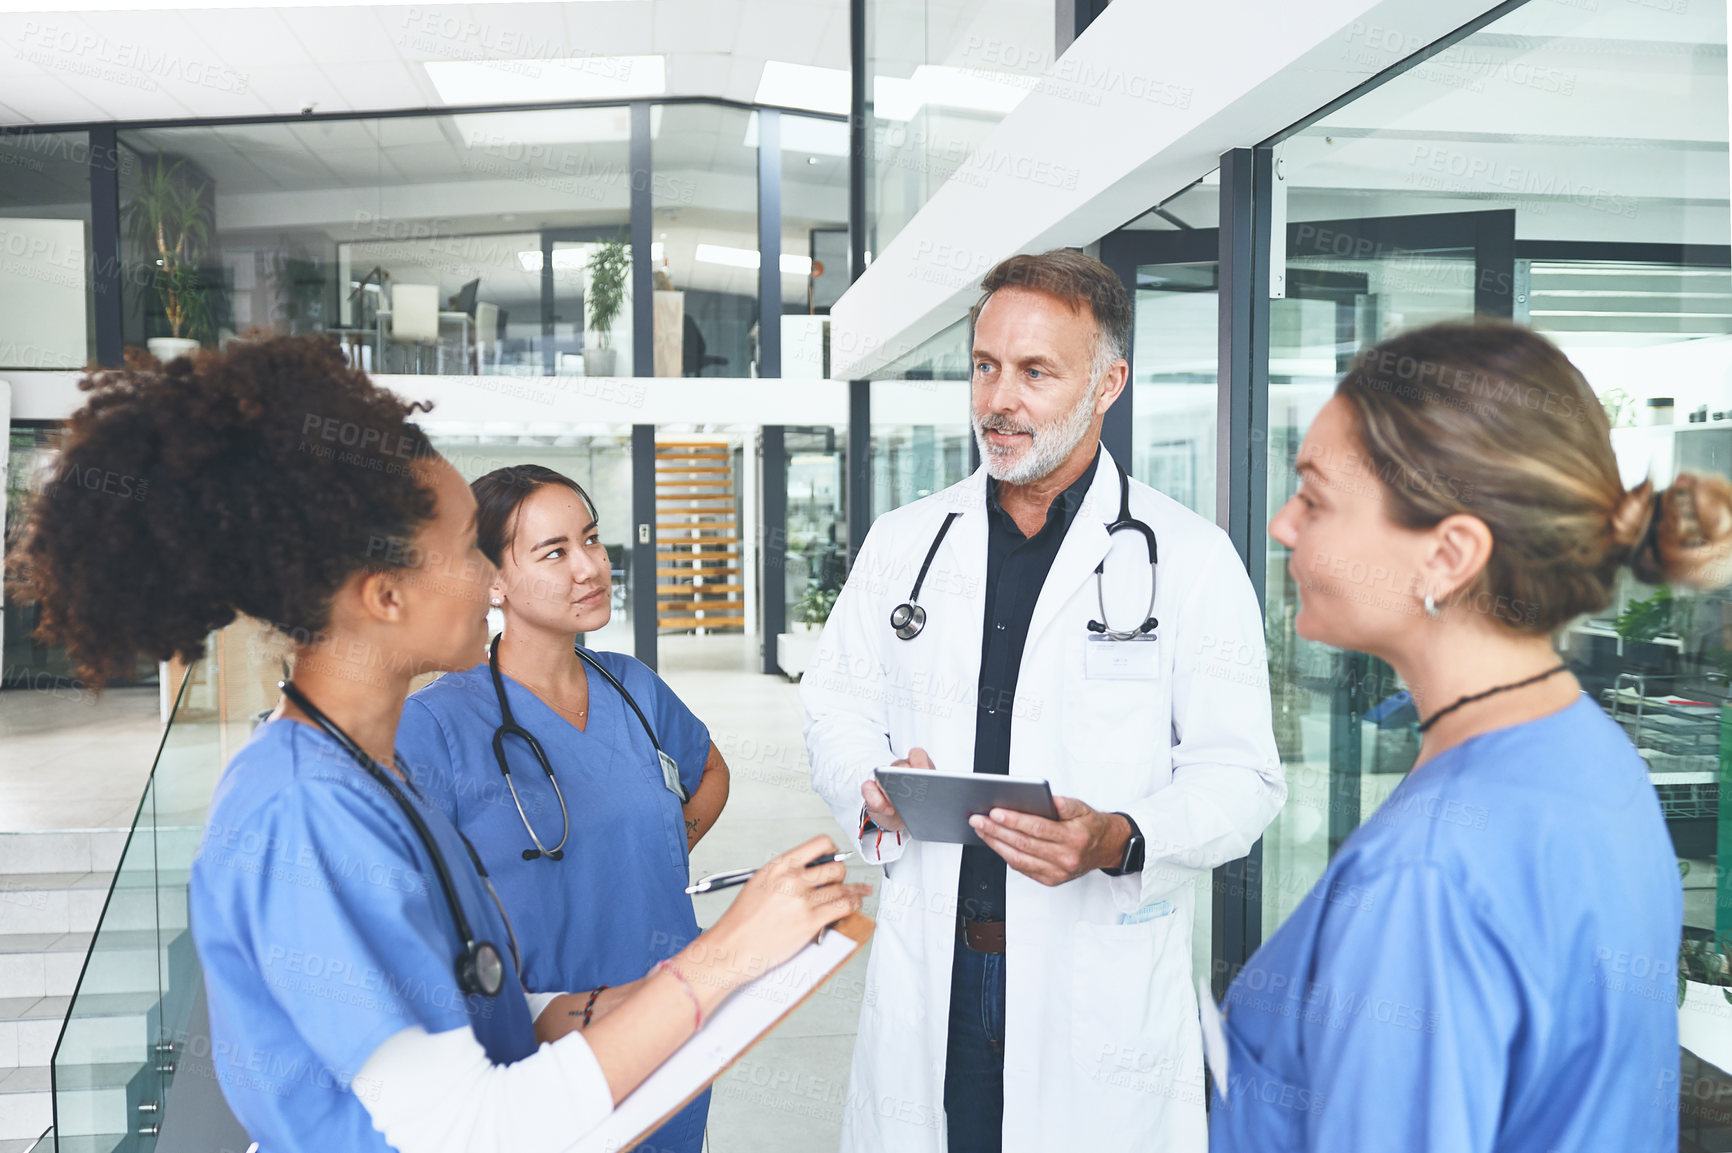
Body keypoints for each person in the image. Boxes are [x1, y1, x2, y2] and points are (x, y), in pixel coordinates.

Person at [5, 337, 867, 1153]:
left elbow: (474, 1005)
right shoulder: (300, 812)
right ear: (385, 594)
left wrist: (671, 990)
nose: (491, 581)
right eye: (467, 553)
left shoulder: (373, 780)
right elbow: (467, 1127)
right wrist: (719, 961)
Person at [802, 249, 1287, 1152]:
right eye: (985, 366)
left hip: (1090, 973)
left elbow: (1242, 775)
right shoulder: (906, 541)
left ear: (1109, 381)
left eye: (1035, 372)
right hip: (939, 962)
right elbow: (834, 706)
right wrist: (867, 780)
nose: (998, 400)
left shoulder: (1188, 556)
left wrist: (1123, 835)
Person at [1209, 320, 1727, 1150]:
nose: (1281, 524)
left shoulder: (1430, 873)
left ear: (1448, 555)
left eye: (1314, 496)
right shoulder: (1589, 752)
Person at [395, 464, 729, 1153]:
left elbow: (711, 769)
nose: (589, 567)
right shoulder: (435, 726)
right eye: (555, 552)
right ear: (492, 580)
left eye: (593, 540)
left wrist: (663, 845)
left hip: (673, 1027)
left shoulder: (633, 685)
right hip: (546, 1056)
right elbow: (415, 917)